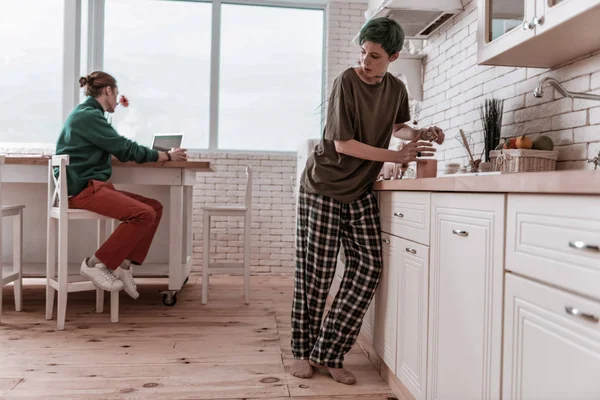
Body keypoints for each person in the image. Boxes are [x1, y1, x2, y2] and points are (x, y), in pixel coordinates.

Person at [290, 17, 445, 385]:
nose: (365, 61)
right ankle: (301, 349)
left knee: (369, 267)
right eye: (363, 52)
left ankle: (329, 351)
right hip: (324, 187)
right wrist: (398, 157)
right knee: (317, 274)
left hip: (360, 189)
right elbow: (343, 144)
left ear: (393, 56)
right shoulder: (346, 80)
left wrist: (422, 132)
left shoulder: (395, 87)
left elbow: (397, 127)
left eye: (374, 55)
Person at [55, 71, 187, 299]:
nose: (117, 100)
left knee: (154, 207)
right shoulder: (87, 116)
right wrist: (165, 156)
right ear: (108, 90)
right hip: (83, 190)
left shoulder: (89, 115)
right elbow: (125, 149)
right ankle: (94, 263)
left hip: (94, 186)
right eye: (116, 94)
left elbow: (118, 146)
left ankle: (123, 266)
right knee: (143, 214)